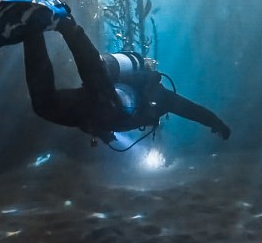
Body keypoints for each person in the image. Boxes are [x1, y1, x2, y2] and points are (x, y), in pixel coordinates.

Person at [23, 10, 231, 145]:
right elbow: (191, 110)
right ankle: (66, 25)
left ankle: (31, 34)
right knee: (100, 88)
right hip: (101, 101)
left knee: (44, 106)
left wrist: (216, 123)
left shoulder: (160, 97)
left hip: (91, 111)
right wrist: (216, 122)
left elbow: (192, 111)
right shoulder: (159, 96)